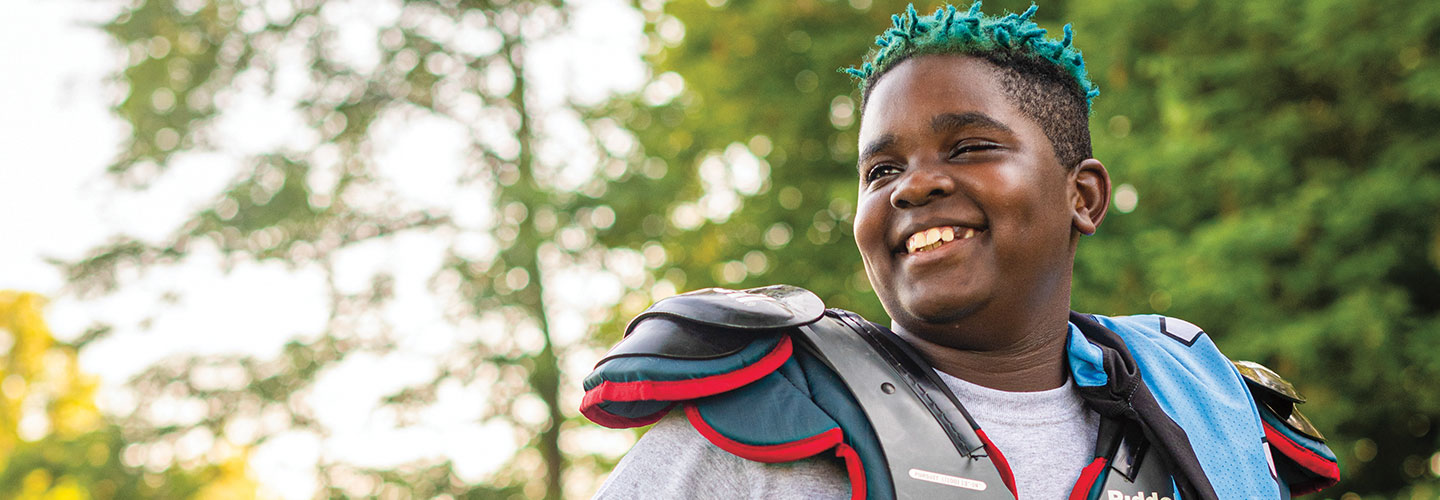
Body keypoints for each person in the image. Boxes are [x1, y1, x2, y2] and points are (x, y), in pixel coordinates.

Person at [580, 3, 1339, 499]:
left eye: (970, 145)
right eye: (882, 171)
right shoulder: (747, 437)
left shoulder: (1206, 409)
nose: (913, 188)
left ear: (1084, 197)